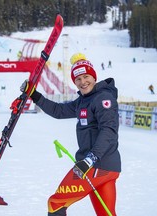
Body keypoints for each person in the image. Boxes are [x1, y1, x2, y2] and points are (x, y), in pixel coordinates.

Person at [21, 53, 121, 215]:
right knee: (106, 214)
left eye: (86, 76)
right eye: (78, 79)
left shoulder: (103, 98)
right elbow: (58, 111)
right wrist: (35, 95)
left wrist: (90, 159)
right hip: (103, 167)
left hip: (96, 165)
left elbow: (109, 130)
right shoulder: (82, 101)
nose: (83, 82)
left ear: (94, 77)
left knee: (56, 204)